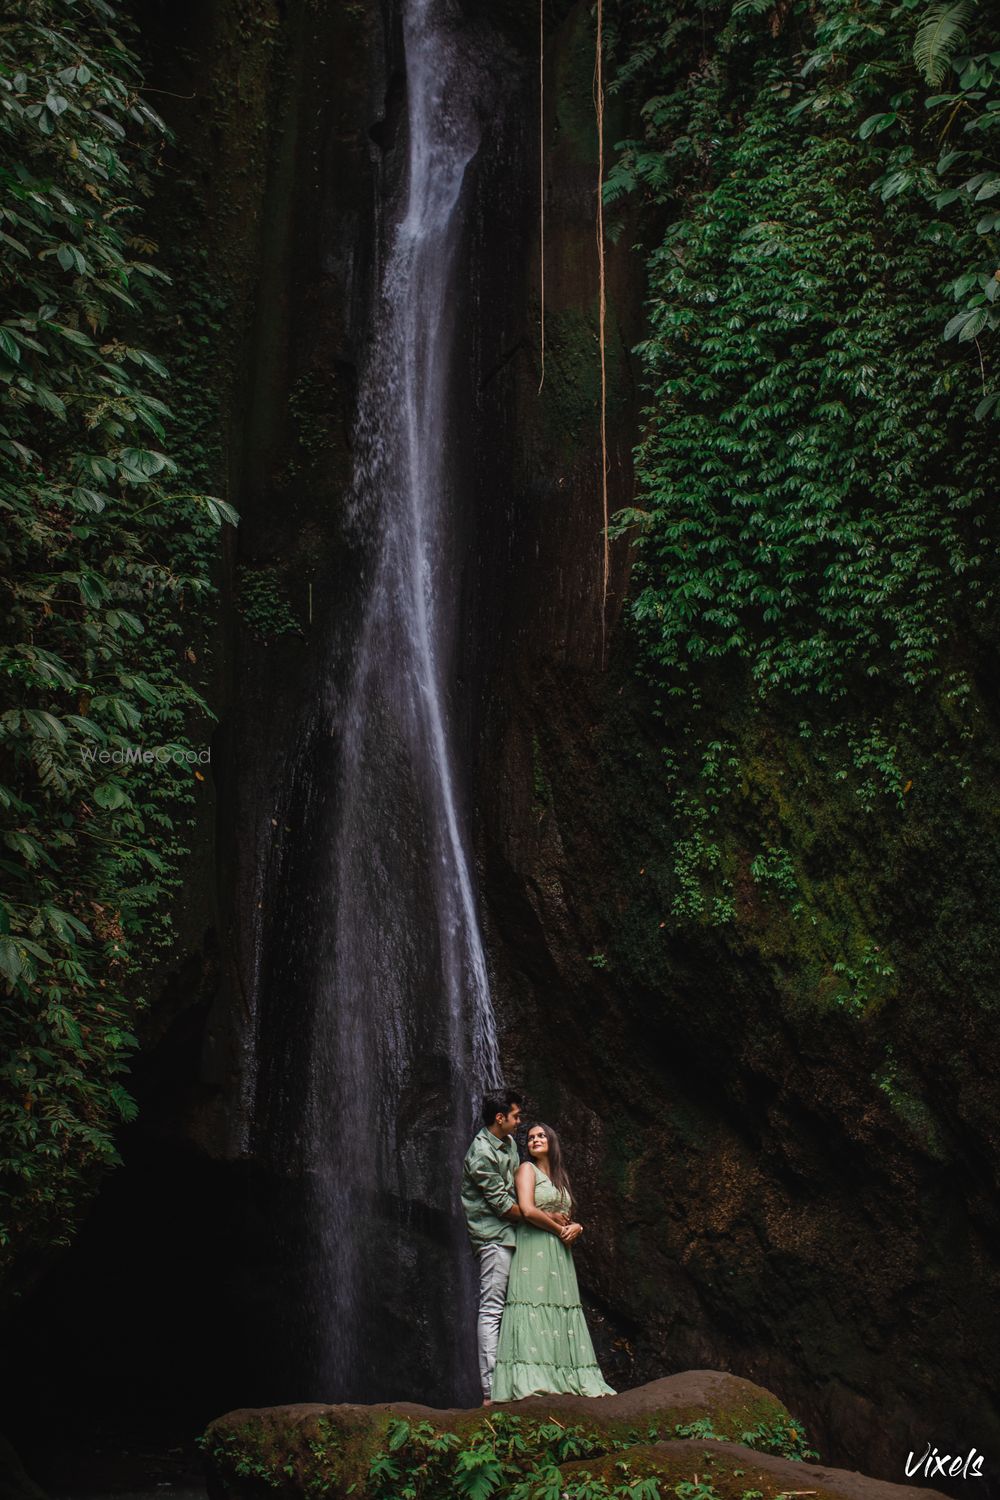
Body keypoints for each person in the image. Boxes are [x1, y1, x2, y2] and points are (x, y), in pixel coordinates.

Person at [491, 1122, 615, 1401]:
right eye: (531, 1137)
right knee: (532, 1306)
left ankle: (564, 1376)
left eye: (541, 1135)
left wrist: (577, 1227)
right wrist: (560, 1230)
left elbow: (566, 1216)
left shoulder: (560, 1177)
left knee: (560, 1307)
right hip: (534, 1246)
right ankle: (533, 1379)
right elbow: (527, 1209)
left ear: (552, 1141)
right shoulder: (526, 1170)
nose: (534, 1139)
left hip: (559, 1254)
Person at [461, 1091, 570, 1405]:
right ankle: (490, 1390)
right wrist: (545, 1215)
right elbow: (504, 1206)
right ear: (500, 1118)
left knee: (519, 1308)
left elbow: (525, 1191)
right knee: (492, 1309)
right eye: (516, 1116)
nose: (520, 1122)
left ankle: (520, 1378)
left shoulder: (508, 1144)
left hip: (518, 1235)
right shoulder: (480, 1154)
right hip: (494, 1236)